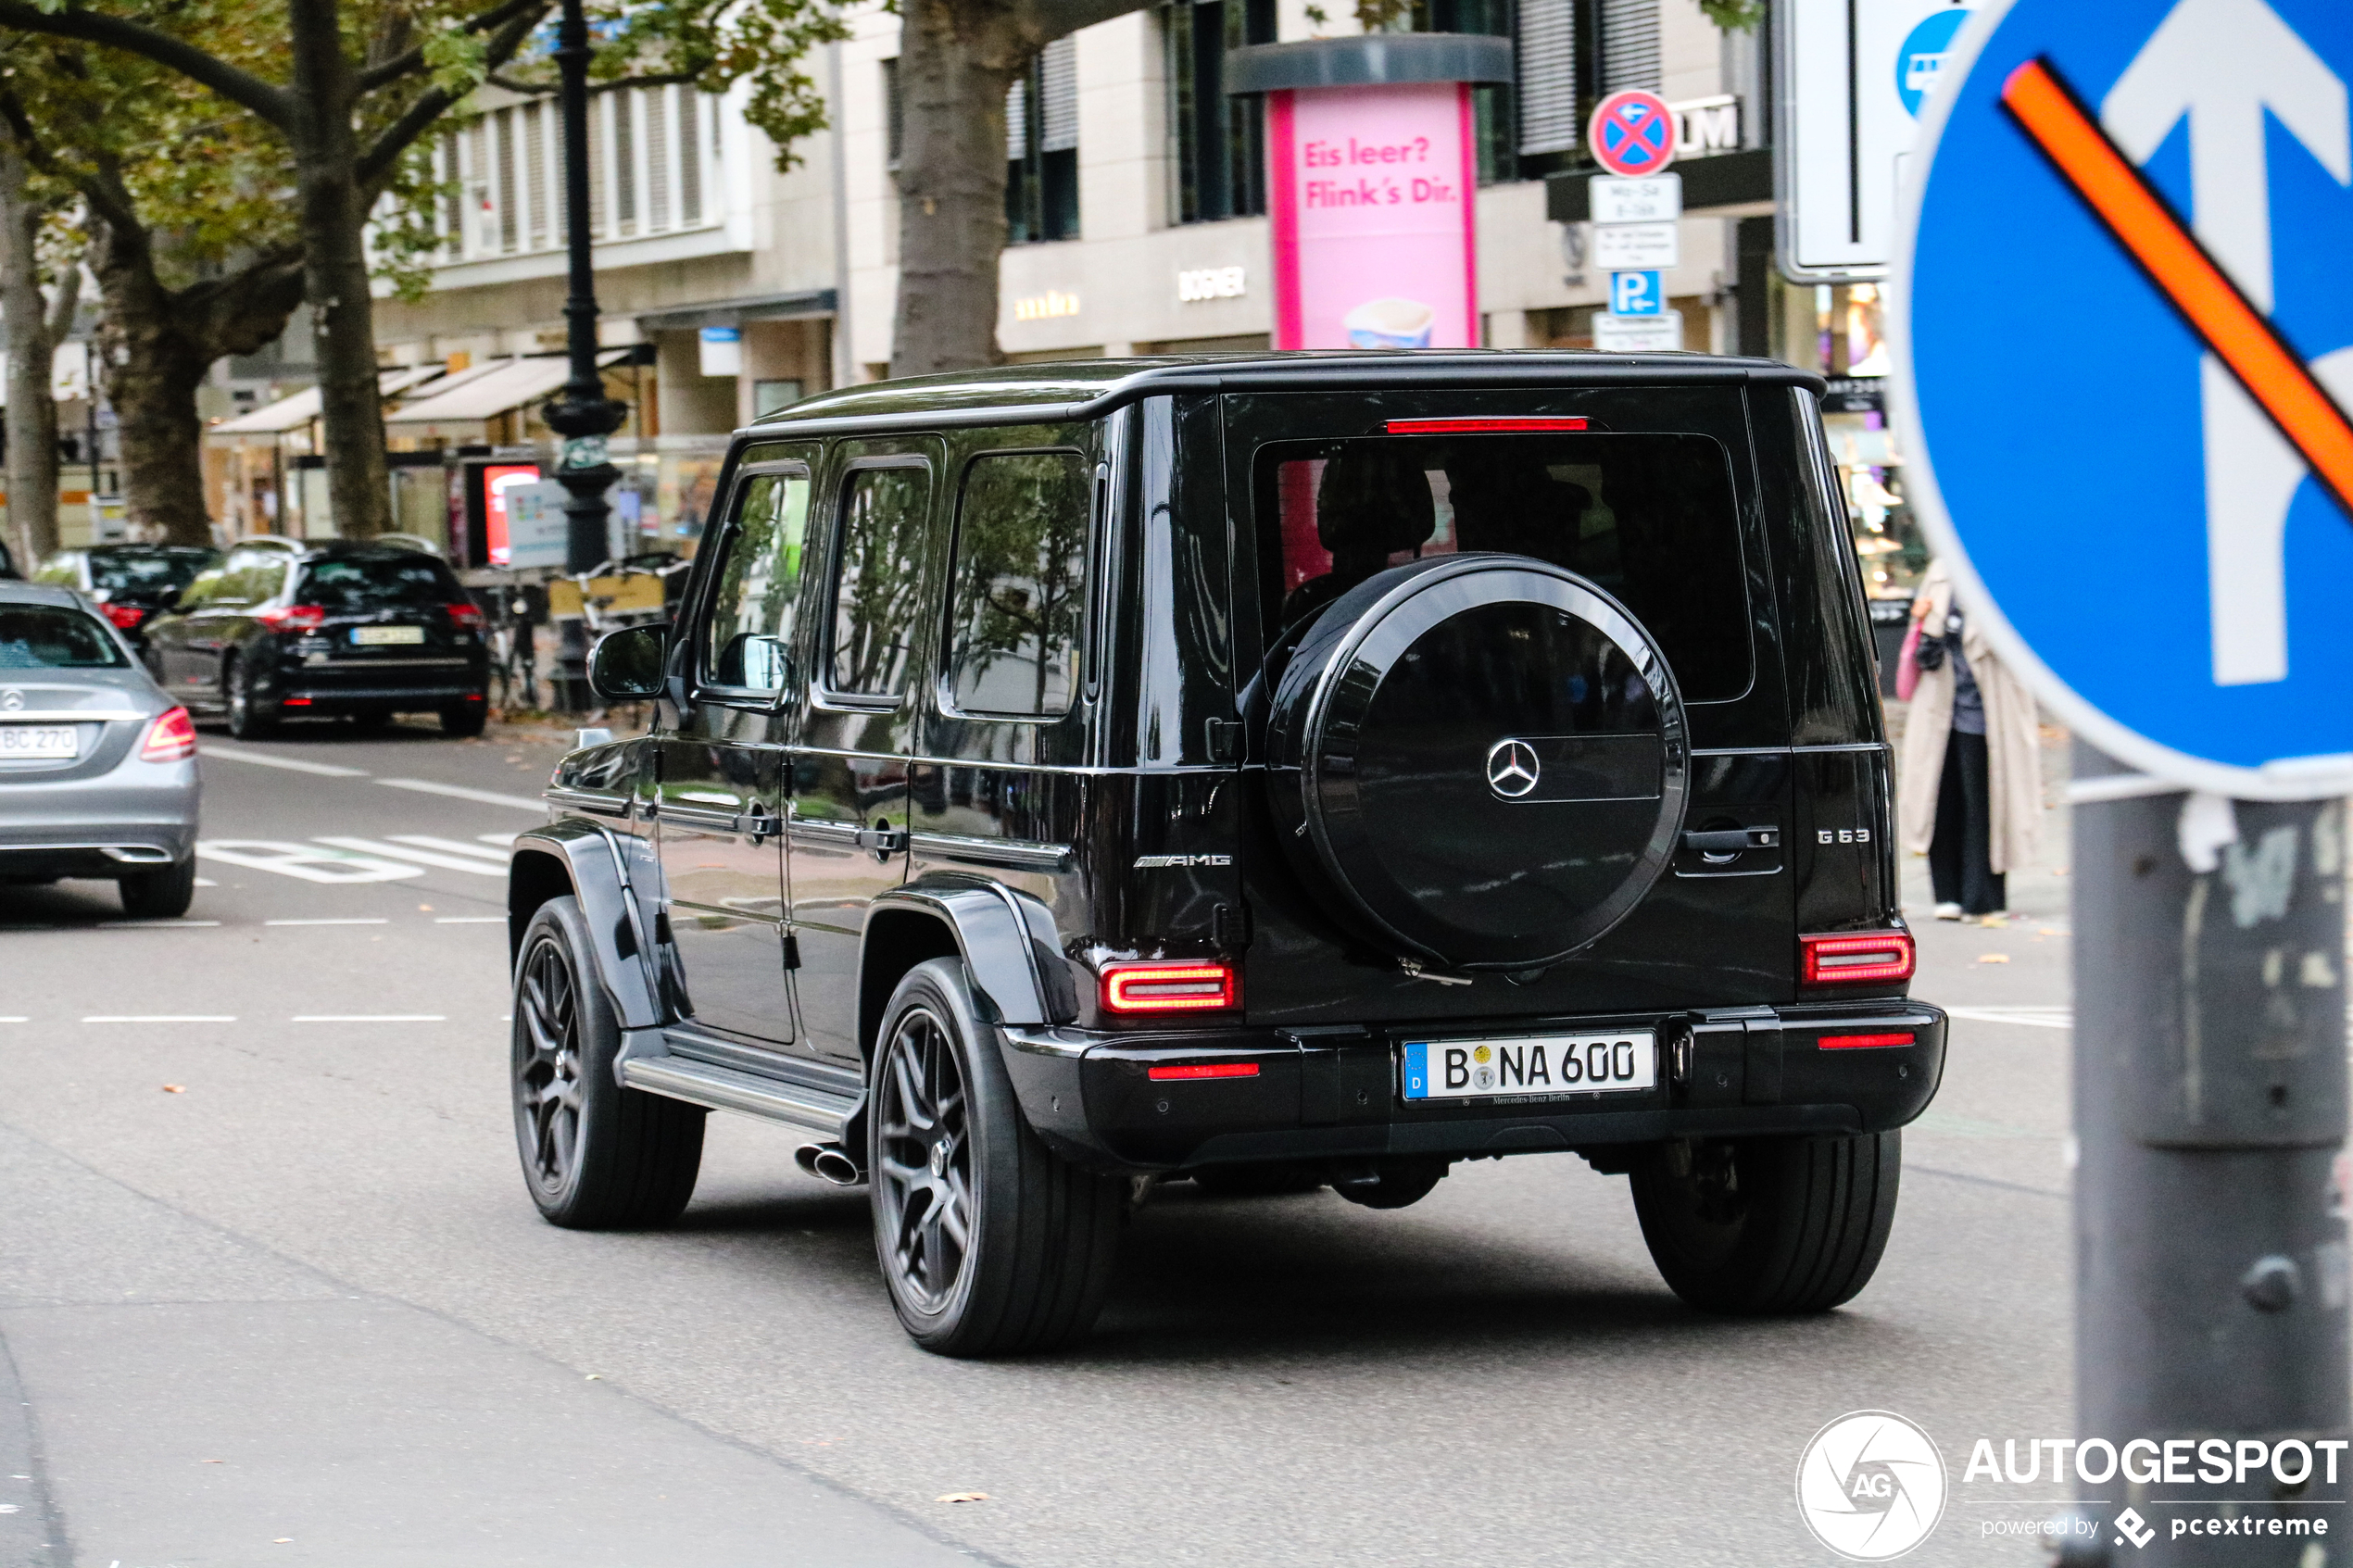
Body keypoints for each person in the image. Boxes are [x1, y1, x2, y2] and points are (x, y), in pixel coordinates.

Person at [1897, 560, 2041, 923]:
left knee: (1986, 804)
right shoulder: (1940, 572)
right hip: (1937, 713)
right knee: (1939, 800)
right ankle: (1947, 894)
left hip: (1992, 712)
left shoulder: (2007, 573)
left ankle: (1982, 898)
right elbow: (1921, 634)